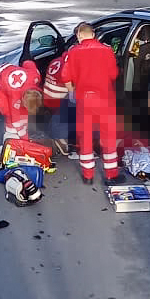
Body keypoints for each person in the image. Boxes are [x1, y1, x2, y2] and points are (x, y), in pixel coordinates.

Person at [44, 24, 119, 186]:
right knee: (108, 136)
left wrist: (72, 93)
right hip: (105, 99)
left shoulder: (73, 52)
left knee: (85, 136)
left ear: (79, 36)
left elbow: (65, 77)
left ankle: (88, 176)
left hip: (84, 99)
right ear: (93, 34)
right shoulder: (106, 50)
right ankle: (111, 175)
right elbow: (114, 74)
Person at [0, 57, 42, 150]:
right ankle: (8, 138)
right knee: (7, 112)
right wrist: (24, 138)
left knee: (20, 113)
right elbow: (16, 120)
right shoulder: (15, 97)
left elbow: (28, 63)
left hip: (9, 69)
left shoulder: (35, 76)